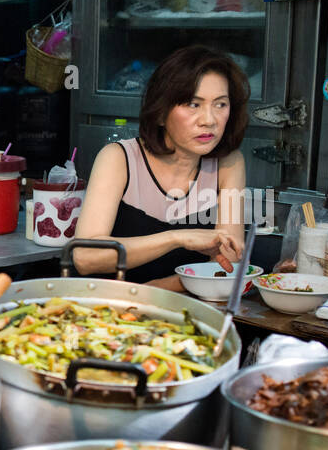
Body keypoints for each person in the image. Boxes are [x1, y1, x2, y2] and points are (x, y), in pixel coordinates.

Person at [73, 45, 248, 291]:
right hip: (104, 310)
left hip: (179, 310)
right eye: (192, 104)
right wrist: (176, 238)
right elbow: (85, 258)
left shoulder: (228, 163)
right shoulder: (119, 158)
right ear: (161, 113)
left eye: (220, 104)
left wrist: (158, 289)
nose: (209, 120)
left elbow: (226, 264)